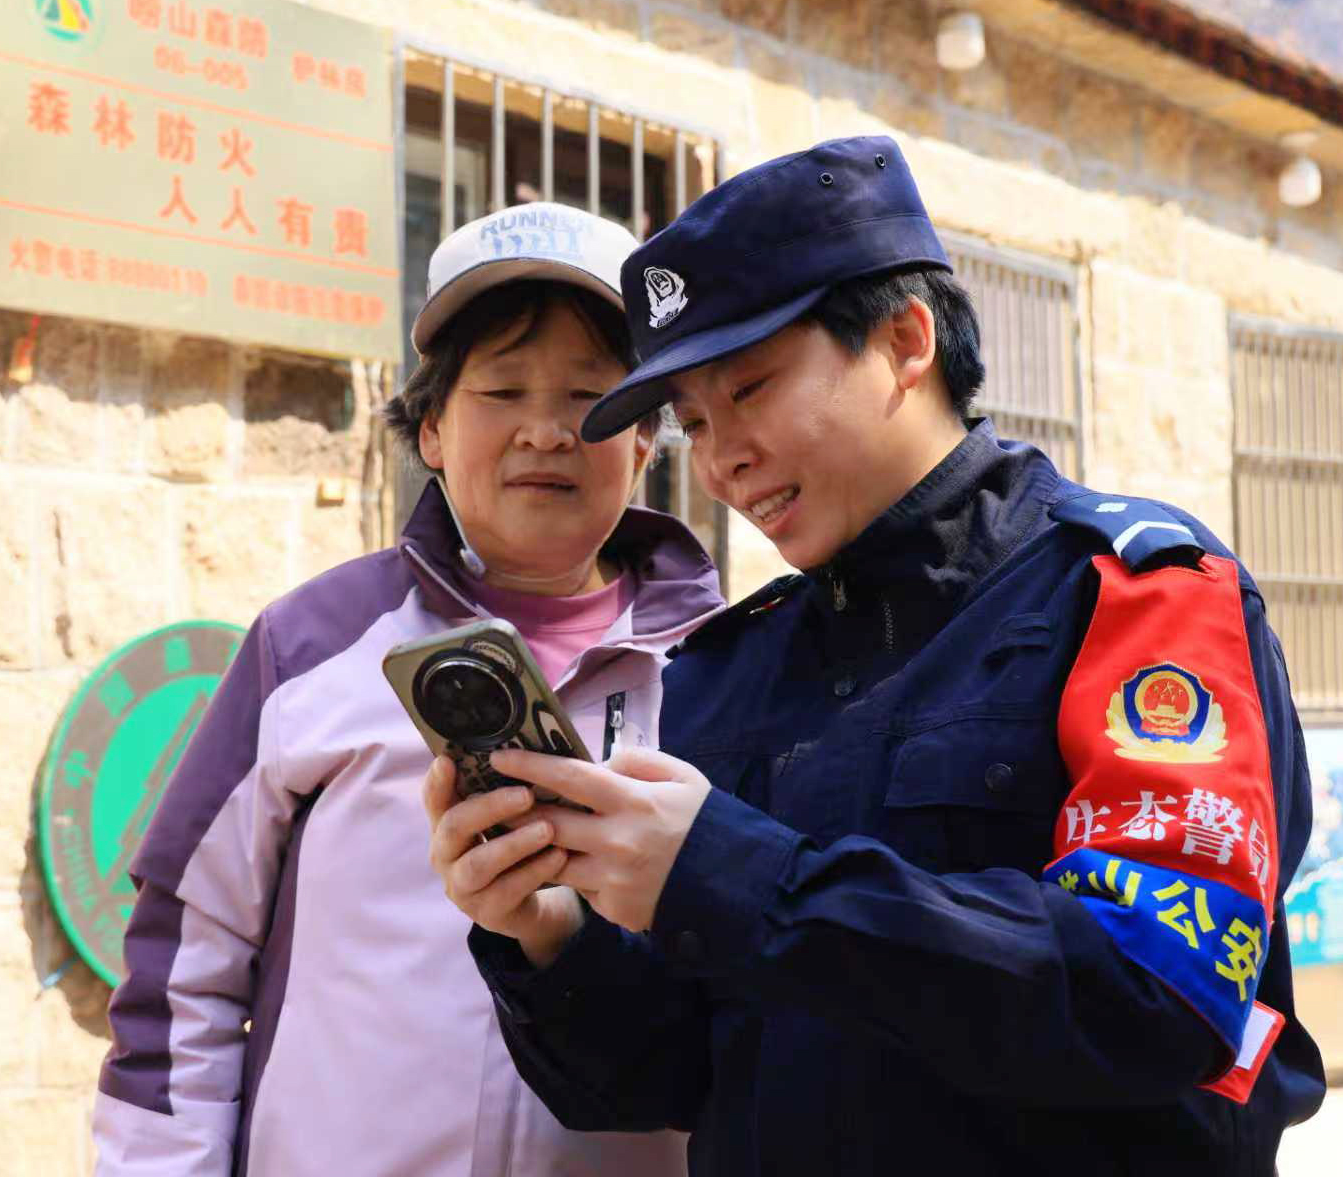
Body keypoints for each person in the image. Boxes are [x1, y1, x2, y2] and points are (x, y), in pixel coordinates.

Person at [425, 136, 1326, 1175]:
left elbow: (1154, 993)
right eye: (692, 423)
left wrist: (729, 872)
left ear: (904, 340)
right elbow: (665, 1078)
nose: (721, 462)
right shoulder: (724, 670)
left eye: (751, 389)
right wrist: (543, 934)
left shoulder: (1133, 596)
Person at [94, 202, 718, 1176]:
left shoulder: (723, 666)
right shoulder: (308, 644)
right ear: (428, 429)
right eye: (501, 391)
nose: (545, 431)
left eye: (589, 398)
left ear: (643, 439)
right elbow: (187, 953)